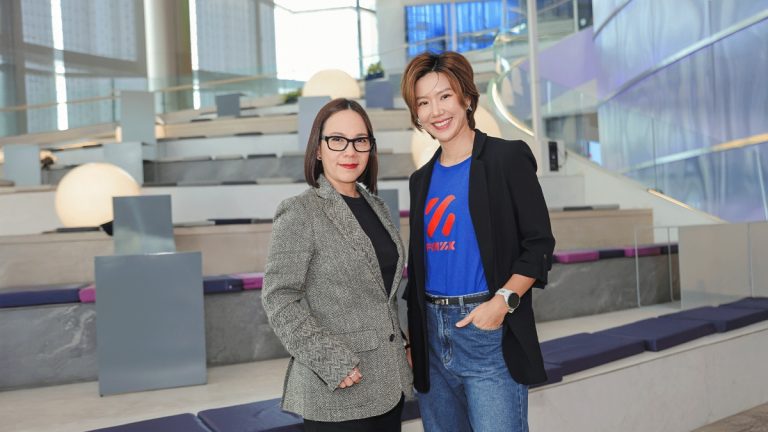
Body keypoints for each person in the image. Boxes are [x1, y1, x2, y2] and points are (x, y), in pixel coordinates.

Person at [400, 51, 556, 432]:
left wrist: (501, 303)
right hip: (432, 339)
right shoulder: (420, 180)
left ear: (467, 98)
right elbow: (418, 269)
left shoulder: (507, 158)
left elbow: (539, 245)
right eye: (423, 102)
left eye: (445, 96)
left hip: (486, 331)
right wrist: (415, 340)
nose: (436, 111)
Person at [262, 98, 412, 432]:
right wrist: (331, 361)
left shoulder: (378, 207)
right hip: (338, 388)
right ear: (318, 149)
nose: (350, 151)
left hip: (389, 384)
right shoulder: (300, 211)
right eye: (337, 140)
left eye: (360, 140)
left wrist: (402, 344)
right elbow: (279, 297)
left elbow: (380, 295)